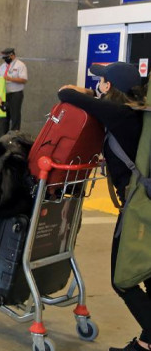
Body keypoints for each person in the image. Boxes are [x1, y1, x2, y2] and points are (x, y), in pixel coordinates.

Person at [58, 62, 148, 351]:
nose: (98, 83)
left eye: (102, 80)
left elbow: (66, 95)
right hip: (144, 206)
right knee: (147, 274)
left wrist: (82, 90)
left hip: (138, 211)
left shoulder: (119, 114)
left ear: (110, 86)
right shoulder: (137, 113)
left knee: (123, 279)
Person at [0, 47, 27, 134]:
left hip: (15, 94)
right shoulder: (3, 66)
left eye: (7, 57)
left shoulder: (20, 65)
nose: (5, 60)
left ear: (12, 55)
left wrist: (11, 79)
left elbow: (24, 80)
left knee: (15, 117)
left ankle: (14, 138)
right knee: (3, 118)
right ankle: (2, 139)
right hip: (3, 94)